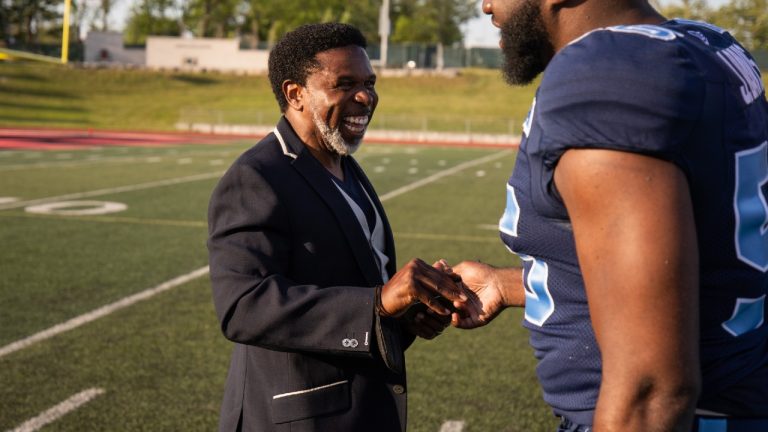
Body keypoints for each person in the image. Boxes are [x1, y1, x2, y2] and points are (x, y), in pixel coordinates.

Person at [450, 1, 768, 431]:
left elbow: (651, 388)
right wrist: (508, 285)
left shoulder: (605, 75)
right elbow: (684, 258)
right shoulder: (704, 42)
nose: (486, 4)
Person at [207, 22, 467, 432]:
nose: (365, 96)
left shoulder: (343, 164)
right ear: (296, 94)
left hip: (358, 412)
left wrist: (404, 316)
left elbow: (355, 283)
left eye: (369, 81)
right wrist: (377, 303)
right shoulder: (257, 176)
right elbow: (243, 306)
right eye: (344, 84)